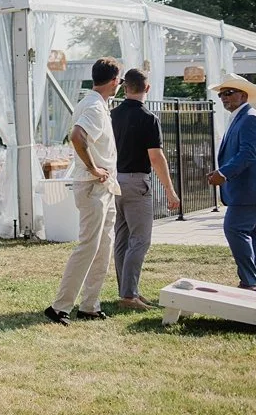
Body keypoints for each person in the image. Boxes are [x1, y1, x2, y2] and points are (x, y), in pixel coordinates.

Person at [45, 58, 122, 326]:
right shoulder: (94, 107)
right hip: (93, 185)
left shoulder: (95, 103)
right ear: (114, 81)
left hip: (103, 185)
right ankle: (60, 307)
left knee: (104, 245)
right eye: (119, 81)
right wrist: (93, 168)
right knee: (89, 245)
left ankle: (90, 305)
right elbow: (77, 136)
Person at [111, 69, 181, 310]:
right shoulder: (148, 118)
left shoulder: (112, 115)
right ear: (147, 88)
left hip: (115, 180)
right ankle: (129, 295)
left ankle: (127, 290)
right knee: (140, 240)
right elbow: (156, 157)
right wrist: (170, 190)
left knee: (122, 238)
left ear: (124, 87)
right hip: (136, 182)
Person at [207, 74, 256, 293]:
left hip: (250, 190)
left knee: (234, 228)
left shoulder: (250, 118)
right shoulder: (241, 117)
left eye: (229, 93)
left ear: (243, 95)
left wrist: (223, 173)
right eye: (221, 95)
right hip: (250, 191)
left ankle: (250, 282)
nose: (224, 98)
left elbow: (248, 153)